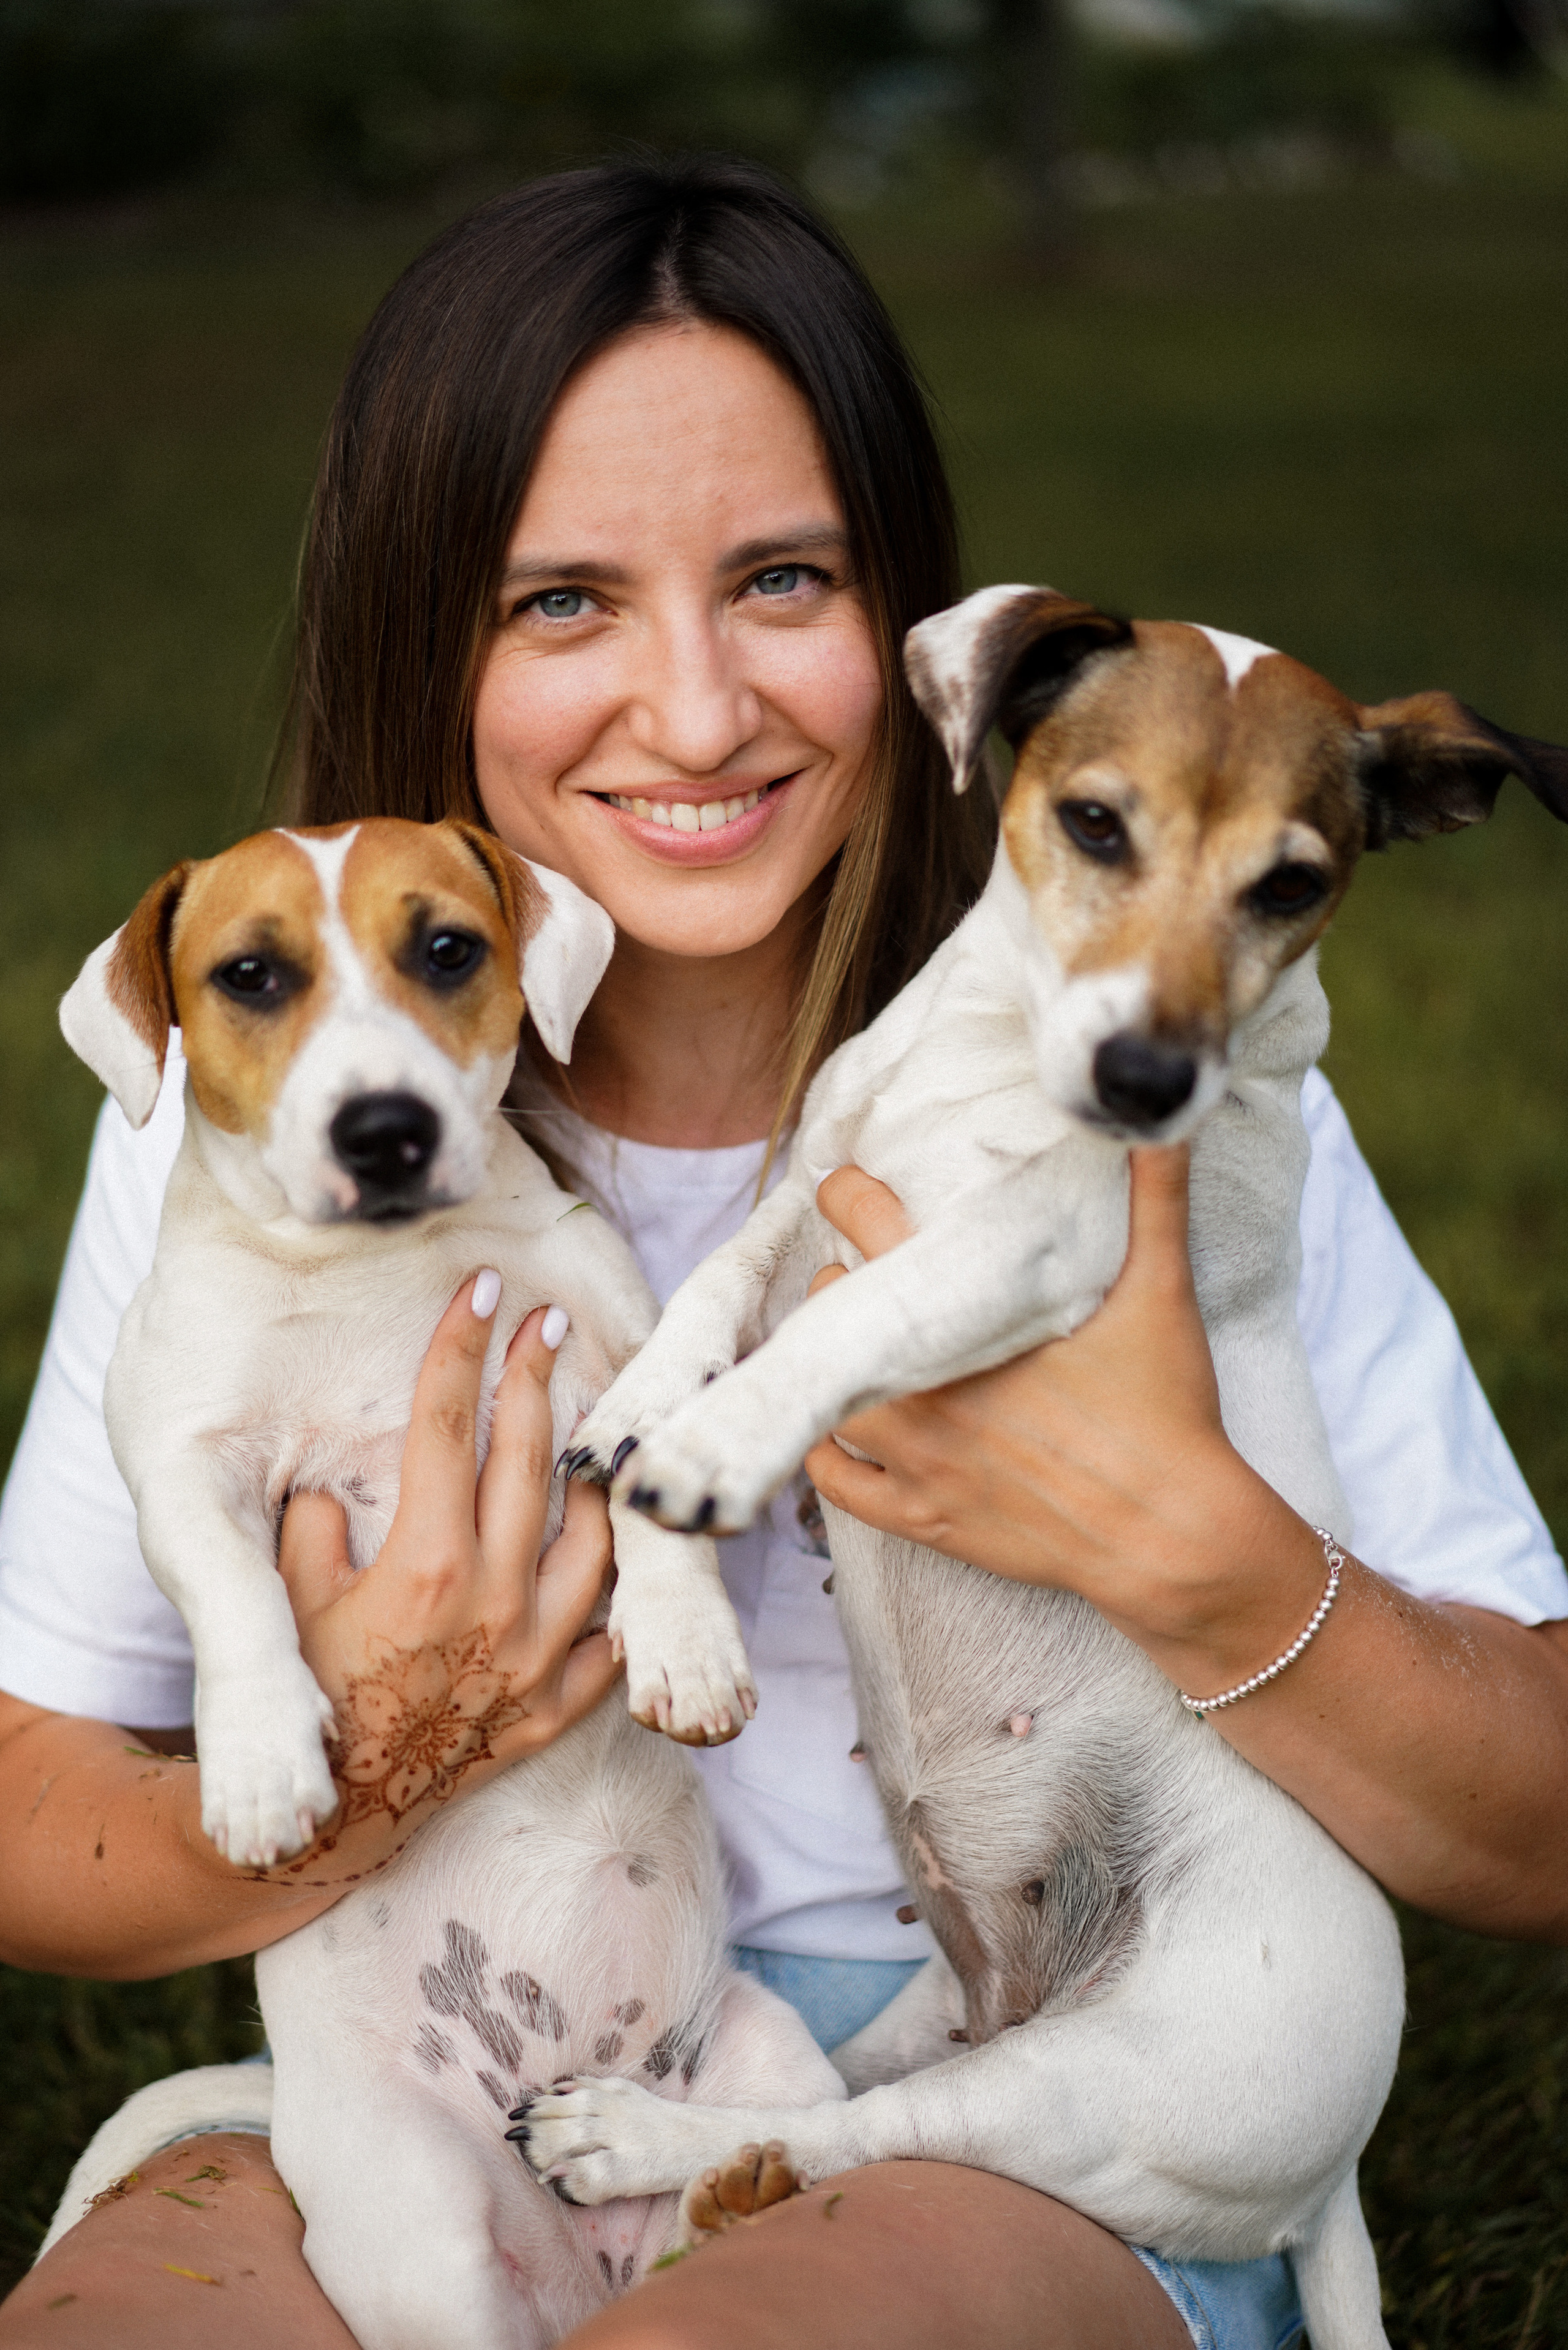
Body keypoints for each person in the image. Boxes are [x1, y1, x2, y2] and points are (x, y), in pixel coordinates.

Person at [1, 154, 1566, 2350]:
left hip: (1011, 2085)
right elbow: (32, 1819)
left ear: (919, 630)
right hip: (431, 2043)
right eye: (563, 601)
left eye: (783, 578)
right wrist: (376, 1750)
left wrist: (1205, 1555)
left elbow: (1540, 1822)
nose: (698, 705)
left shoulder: (1164, 1111)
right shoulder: (248, 1142)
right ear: (426, 633)